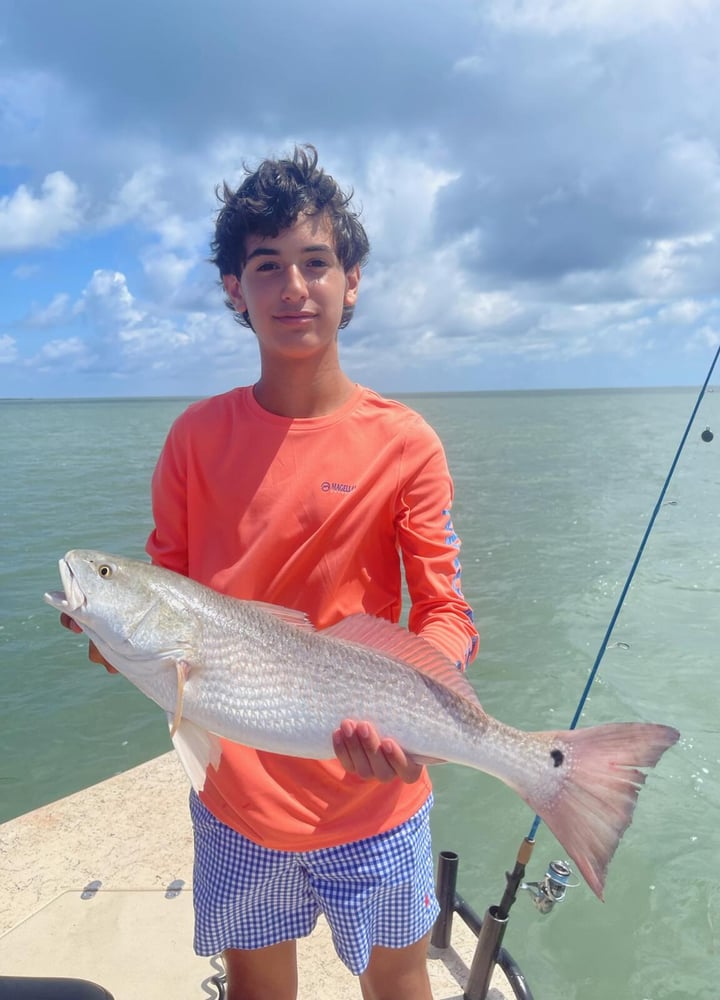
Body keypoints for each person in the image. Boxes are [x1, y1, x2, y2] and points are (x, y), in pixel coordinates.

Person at [65, 145, 479, 1000]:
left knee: (398, 982)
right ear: (232, 289)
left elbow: (445, 611)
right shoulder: (192, 440)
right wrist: (107, 637)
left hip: (376, 798)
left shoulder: (406, 444)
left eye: (316, 262)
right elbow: (163, 595)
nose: (294, 286)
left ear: (352, 280)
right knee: (258, 988)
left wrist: (414, 710)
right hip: (237, 798)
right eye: (266, 266)